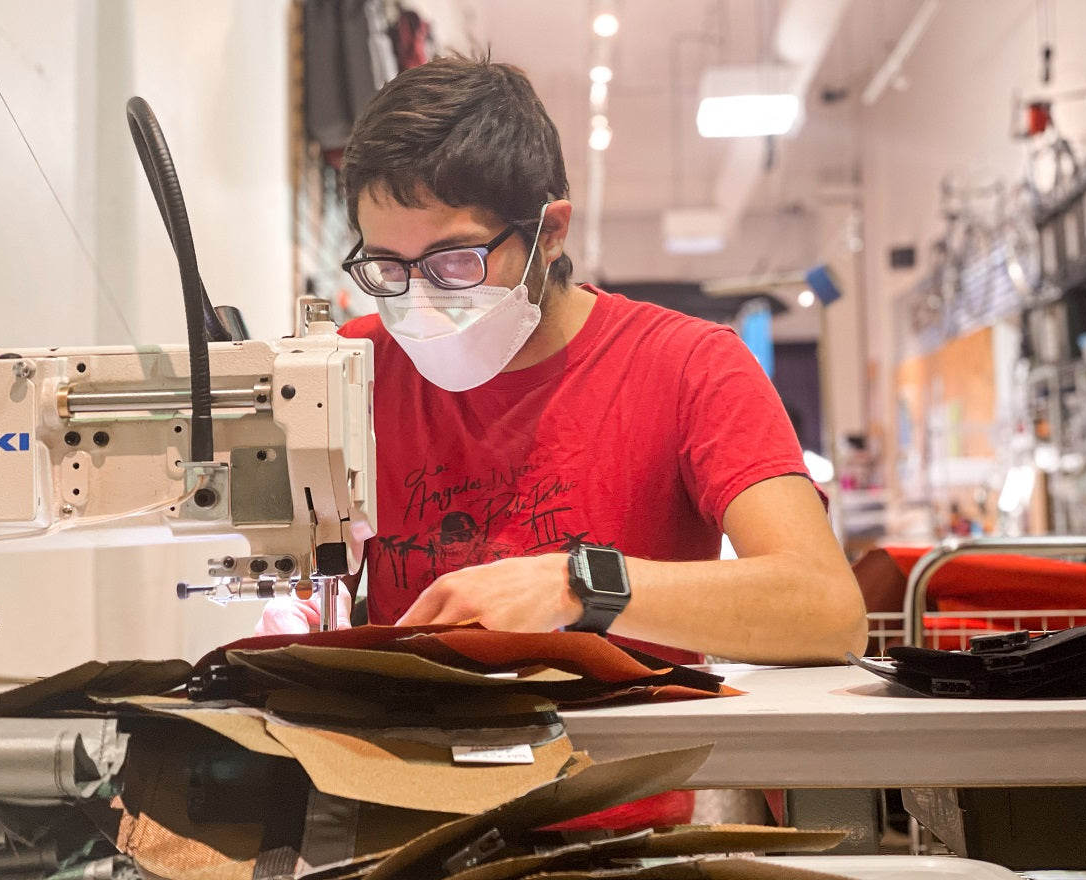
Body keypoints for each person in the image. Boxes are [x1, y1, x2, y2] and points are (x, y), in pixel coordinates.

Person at [259, 55, 867, 666]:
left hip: (634, 751)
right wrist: (304, 600)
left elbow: (825, 612)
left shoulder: (690, 366)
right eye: (389, 266)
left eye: (455, 261)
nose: (420, 296)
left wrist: (577, 586)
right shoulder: (351, 368)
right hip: (411, 746)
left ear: (550, 233)